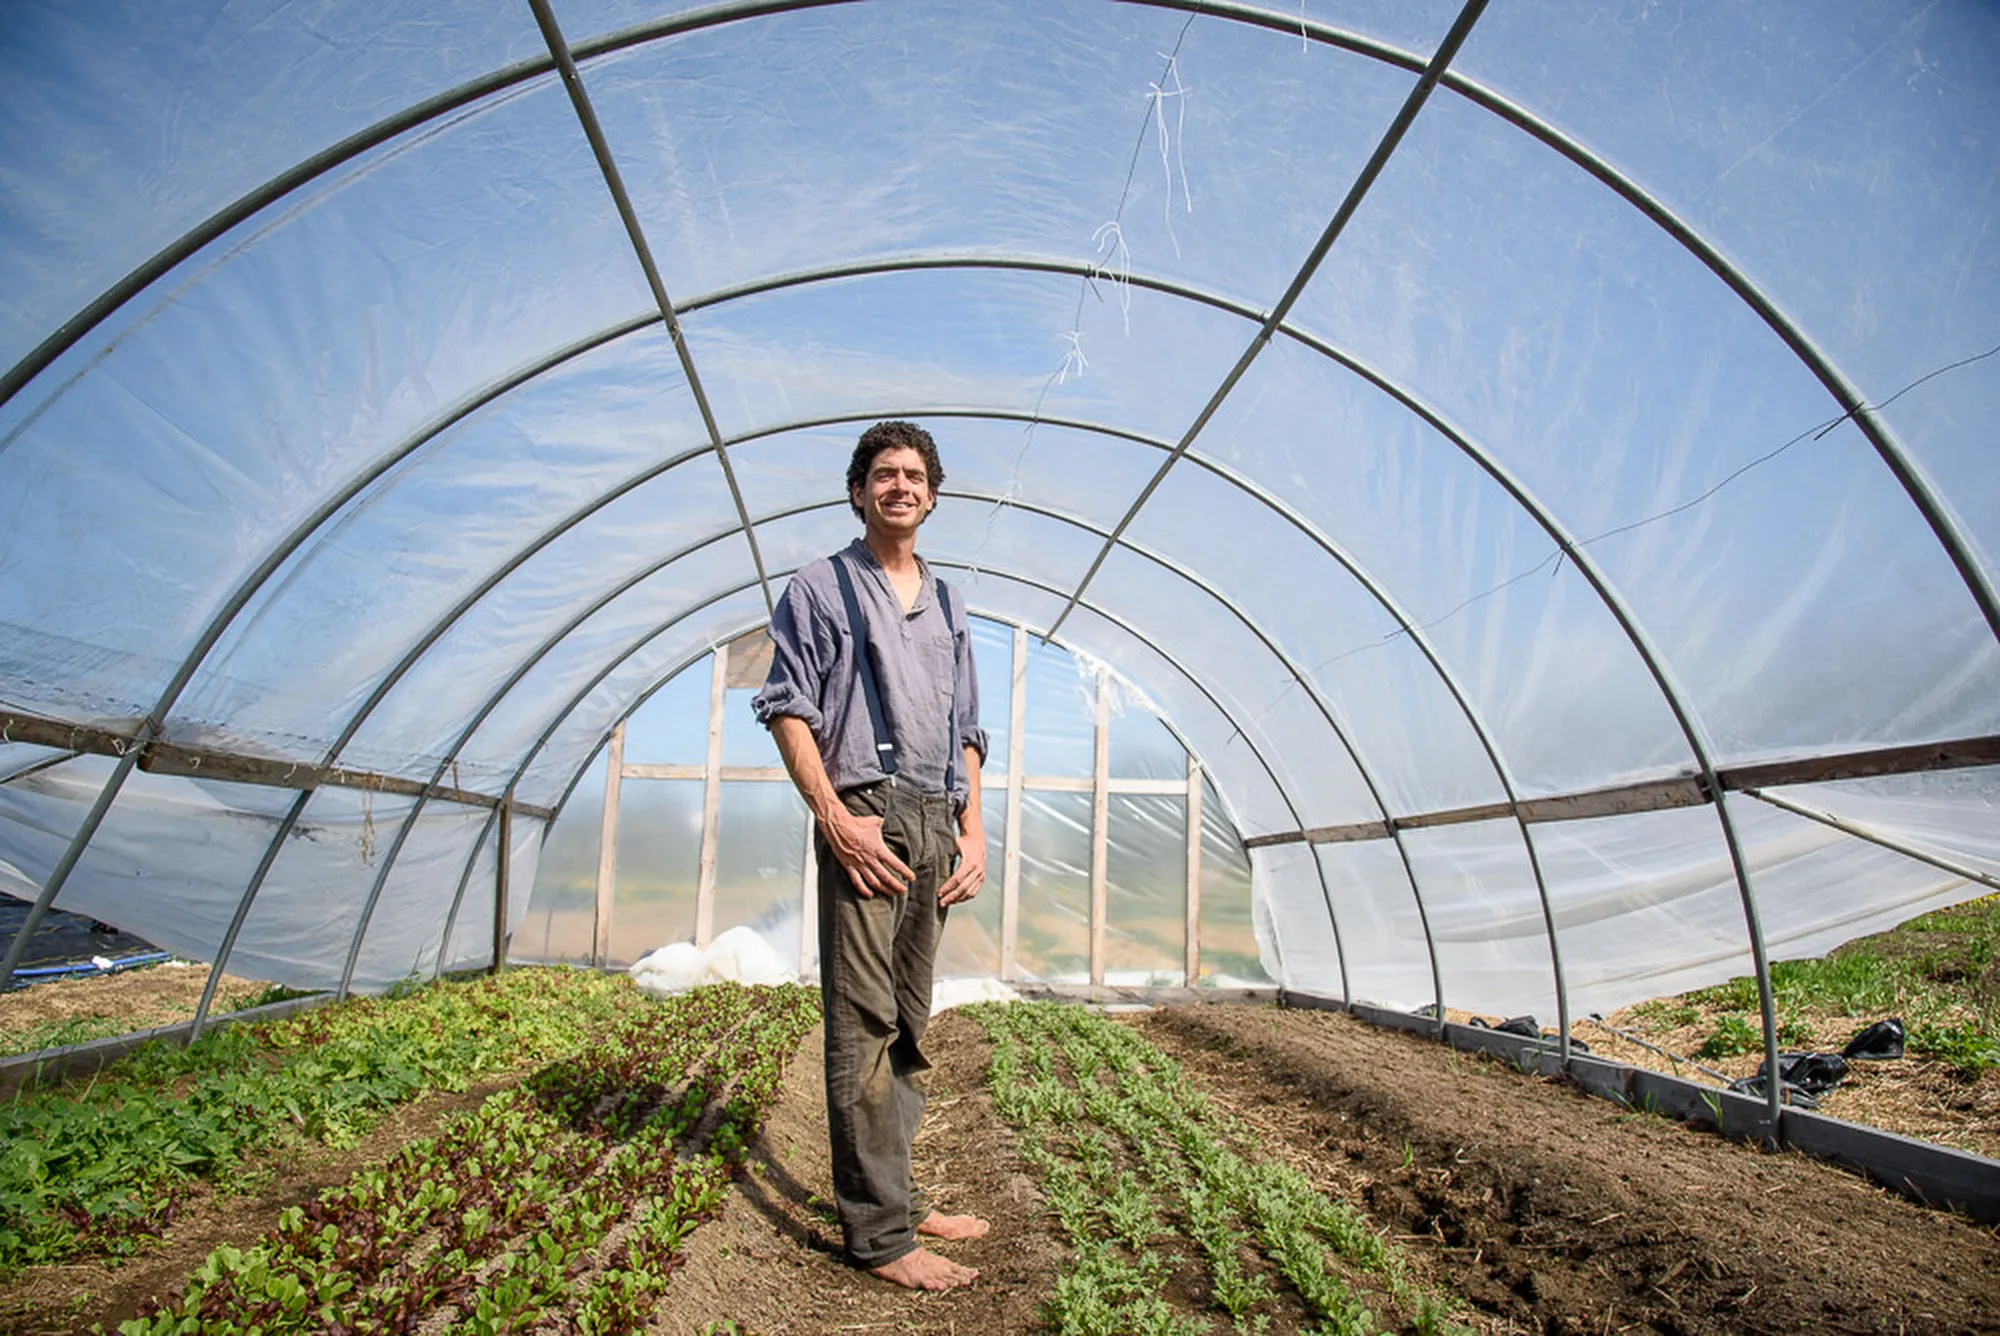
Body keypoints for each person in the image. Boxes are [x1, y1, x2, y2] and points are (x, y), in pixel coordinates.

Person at [751, 420, 991, 1291]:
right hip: (866, 813)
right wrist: (833, 817)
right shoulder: (820, 587)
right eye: (883, 473)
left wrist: (974, 828)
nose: (900, 486)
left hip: (935, 816)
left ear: (932, 496)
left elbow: (968, 729)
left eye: (915, 475)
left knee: (912, 1020)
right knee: (862, 1022)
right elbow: (787, 706)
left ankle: (901, 1191)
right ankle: (881, 1237)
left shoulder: (952, 602)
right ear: (858, 491)